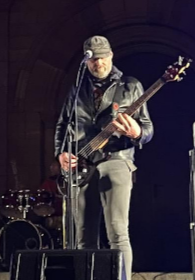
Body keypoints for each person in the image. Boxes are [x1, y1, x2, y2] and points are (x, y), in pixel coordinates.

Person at [55, 36, 153, 280]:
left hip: (116, 158)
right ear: (86, 62)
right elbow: (62, 125)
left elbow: (148, 128)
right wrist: (61, 153)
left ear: (111, 56)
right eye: (93, 59)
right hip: (82, 163)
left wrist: (137, 133)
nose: (98, 63)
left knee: (117, 232)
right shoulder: (77, 89)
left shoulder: (130, 86)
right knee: (83, 236)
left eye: (102, 57)